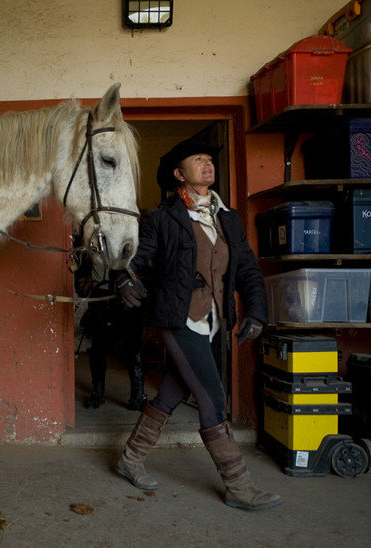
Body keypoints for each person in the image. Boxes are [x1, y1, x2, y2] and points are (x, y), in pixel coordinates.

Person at [114, 138, 281, 511]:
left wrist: (256, 310)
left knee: (172, 392)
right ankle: (238, 485)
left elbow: (248, 268)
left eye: (209, 159)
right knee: (212, 397)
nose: (208, 164)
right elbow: (137, 259)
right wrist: (124, 278)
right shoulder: (161, 218)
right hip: (177, 317)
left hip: (212, 319)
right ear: (179, 174)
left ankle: (130, 459)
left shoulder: (228, 217)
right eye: (197, 159)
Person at [75, 257, 147, 411]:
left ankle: (138, 397)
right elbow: (80, 273)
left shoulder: (134, 243)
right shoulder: (93, 246)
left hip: (129, 295)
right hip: (100, 297)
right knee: (97, 348)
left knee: (134, 347)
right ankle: (97, 394)